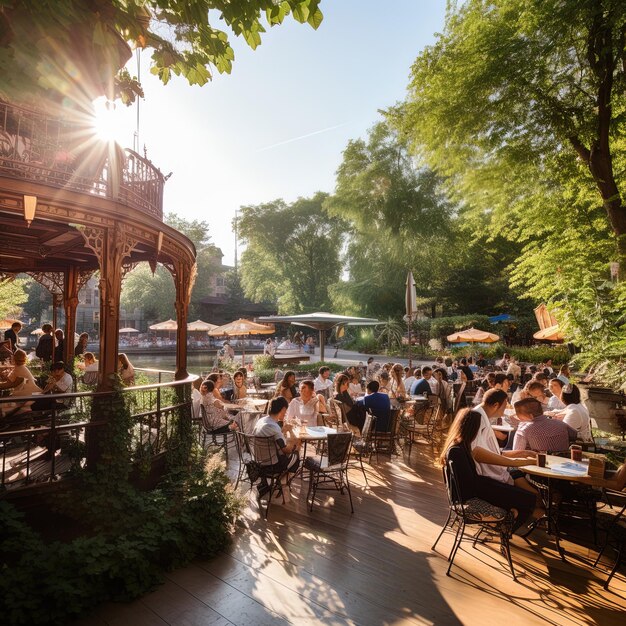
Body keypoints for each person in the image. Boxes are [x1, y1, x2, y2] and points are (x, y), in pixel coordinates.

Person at [440, 408, 537, 530]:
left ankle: (505, 524)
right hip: (470, 497)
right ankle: (504, 529)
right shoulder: (458, 451)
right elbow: (470, 483)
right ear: (474, 429)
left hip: (472, 491)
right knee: (528, 499)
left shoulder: (459, 447)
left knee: (525, 498)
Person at [472, 389, 540, 501]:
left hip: (494, 473)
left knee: (522, 477)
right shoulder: (478, 419)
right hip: (488, 480)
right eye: (504, 407)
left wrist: (523, 453)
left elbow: (496, 453)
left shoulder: (481, 416)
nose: (504, 412)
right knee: (535, 497)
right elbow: (477, 453)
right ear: (495, 405)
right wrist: (518, 461)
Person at [253, 396, 302, 497]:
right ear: (283, 409)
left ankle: (269, 483)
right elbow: (287, 450)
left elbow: (274, 437)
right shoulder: (273, 427)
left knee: (293, 449)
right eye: (286, 410)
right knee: (296, 455)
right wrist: (294, 437)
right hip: (271, 465)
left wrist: (283, 430)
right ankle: (281, 482)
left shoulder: (261, 420)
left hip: (258, 462)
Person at [512, 398, 576, 453]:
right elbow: (574, 435)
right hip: (564, 462)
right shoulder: (561, 424)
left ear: (530, 415)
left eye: (518, 414)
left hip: (539, 464)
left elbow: (517, 453)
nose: (517, 416)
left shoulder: (524, 430)